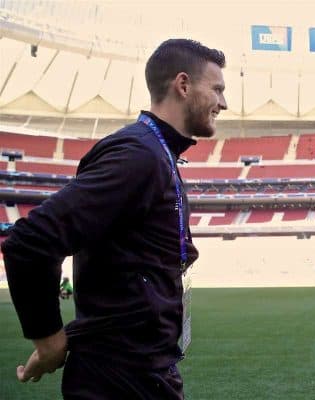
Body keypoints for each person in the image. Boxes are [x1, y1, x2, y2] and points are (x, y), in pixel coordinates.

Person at [1, 38, 227, 399]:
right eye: (216, 89)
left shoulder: (157, 153)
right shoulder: (139, 156)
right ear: (183, 85)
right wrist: (48, 339)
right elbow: (30, 241)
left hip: (139, 371)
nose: (224, 103)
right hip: (120, 378)